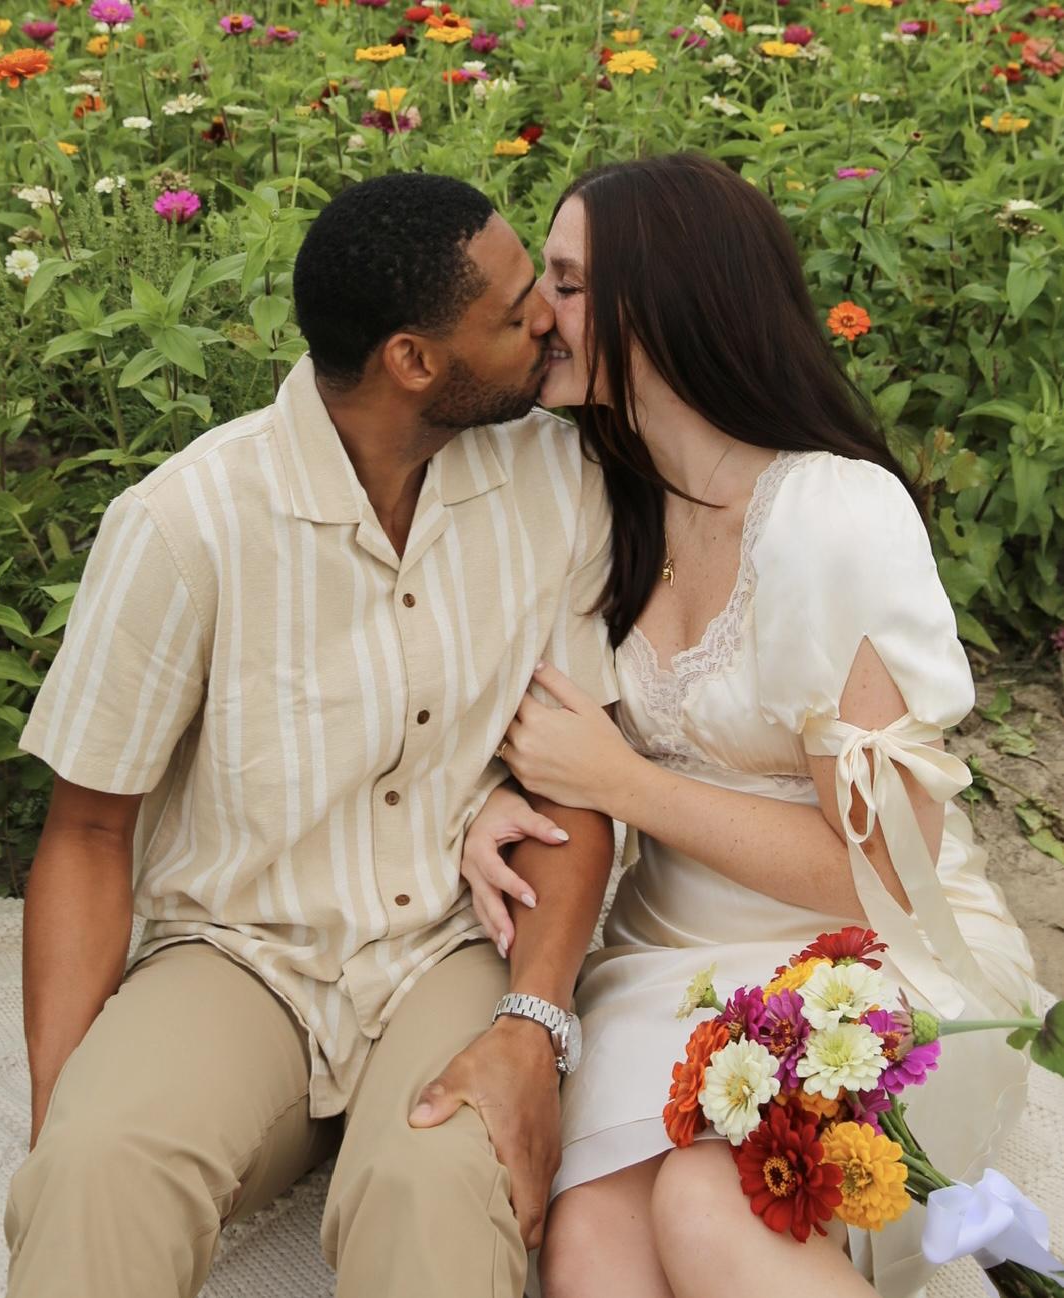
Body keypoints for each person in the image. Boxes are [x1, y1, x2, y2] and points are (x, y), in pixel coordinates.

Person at [3, 171, 623, 1298]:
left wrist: (530, 1022)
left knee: (436, 1188)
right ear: (412, 362)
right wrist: (63, 1110)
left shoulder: (557, 483)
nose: (549, 317)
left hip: (453, 938)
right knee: (98, 1167)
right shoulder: (182, 524)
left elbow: (574, 781)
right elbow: (89, 829)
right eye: (515, 305)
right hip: (240, 950)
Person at [460, 153, 1038, 1298]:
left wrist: (624, 784)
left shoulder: (830, 518)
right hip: (660, 963)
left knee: (711, 1202)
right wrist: (489, 798)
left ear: (665, 298)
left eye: (570, 282)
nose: (540, 311)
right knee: (587, 1251)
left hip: (865, 958)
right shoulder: (595, 486)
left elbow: (879, 872)